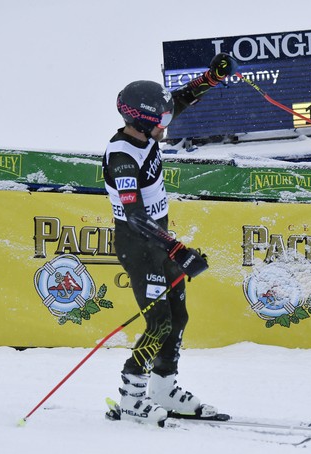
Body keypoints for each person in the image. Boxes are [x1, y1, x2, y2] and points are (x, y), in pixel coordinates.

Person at [102, 53, 237, 426]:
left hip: (159, 241)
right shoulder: (122, 157)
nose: (167, 123)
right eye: (160, 120)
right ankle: (131, 397)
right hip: (139, 245)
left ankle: (164, 387)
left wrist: (211, 77)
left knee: (179, 317)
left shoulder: (147, 133)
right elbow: (134, 216)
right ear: (143, 122)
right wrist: (177, 249)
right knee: (159, 322)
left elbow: (180, 99)